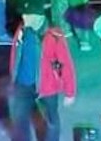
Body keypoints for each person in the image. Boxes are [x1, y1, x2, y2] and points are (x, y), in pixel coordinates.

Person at [7, 7, 76, 141]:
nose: (24, 17)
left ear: (39, 16)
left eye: (28, 14)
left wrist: (70, 91)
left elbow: (66, 64)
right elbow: (15, 56)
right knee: (19, 119)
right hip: (23, 84)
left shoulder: (54, 35)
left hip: (48, 87)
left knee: (51, 120)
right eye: (24, 14)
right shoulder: (22, 29)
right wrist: (12, 79)